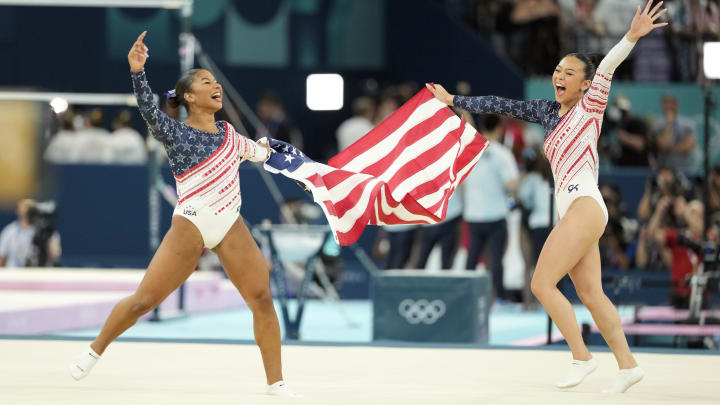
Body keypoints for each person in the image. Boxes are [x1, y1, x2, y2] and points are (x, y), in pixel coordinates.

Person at [427, 0, 668, 393]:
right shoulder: (548, 111)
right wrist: (455, 101)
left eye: (569, 73)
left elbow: (606, 66)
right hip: (573, 208)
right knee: (590, 293)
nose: (560, 75)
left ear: (586, 84)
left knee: (541, 284)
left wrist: (630, 36)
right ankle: (628, 367)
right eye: (557, 70)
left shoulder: (591, 105)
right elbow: (503, 105)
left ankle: (581, 358)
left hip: (584, 205)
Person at [69, 32, 298, 397]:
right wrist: (137, 72)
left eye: (216, 82)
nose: (216, 85)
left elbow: (262, 154)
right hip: (191, 223)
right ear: (189, 96)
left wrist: (285, 157)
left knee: (262, 298)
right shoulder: (174, 132)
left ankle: (276, 382)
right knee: (144, 301)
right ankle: (94, 349)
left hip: (229, 223)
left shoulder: (230, 134)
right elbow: (147, 108)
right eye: (207, 82)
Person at [461, 114, 519, 302]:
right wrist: (510, 199)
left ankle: (464, 297)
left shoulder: (470, 150)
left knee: (472, 259)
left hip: (474, 214)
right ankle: (500, 298)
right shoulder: (503, 154)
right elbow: (512, 185)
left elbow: (461, 183)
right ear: (500, 129)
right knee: (496, 259)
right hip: (496, 214)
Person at [0, 199, 61, 268]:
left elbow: (55, 256)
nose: (28, 210)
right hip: (15, 276)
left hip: (40, 275)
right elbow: (2, 259)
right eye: (25, 206)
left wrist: (48, 236)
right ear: (17, 210)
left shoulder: (45, 230)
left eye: (30, 207)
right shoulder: (9, 232)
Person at [653, 94, 697, 172]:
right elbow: (663, 145)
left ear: (677, 104)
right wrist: (668, 124)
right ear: (662, 105)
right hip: (664, 170)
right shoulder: (657, 125)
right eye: (666, 103)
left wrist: (669, 149)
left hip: (685, 168)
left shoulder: (688, 124)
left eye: (672, 103)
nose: (669, 106)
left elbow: (688, 147)